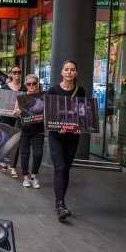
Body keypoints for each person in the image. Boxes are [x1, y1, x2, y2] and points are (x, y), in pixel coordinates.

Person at [47, 60, 85, 220]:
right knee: (60, 168)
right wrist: (57, 127)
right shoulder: (53, 90)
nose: (69, 72)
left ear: (76, 73)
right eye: (67, 69)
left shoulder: (80, 91)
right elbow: (49, 113)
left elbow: (82, 113)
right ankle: (60, 204)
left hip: (72, 136)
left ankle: (61, 201)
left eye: (72, 70)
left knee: (66, 168)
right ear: (62, 72)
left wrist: (80, 126)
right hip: (56, 135)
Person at [13, 74, 44, 188]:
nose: (31, 86)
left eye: (34, 83)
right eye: (29, 84)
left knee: (38, 153)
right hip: (23, 129)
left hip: (38, 130)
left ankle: (33, 177)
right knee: (24, 154)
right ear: (26, 85)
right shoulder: (21, 97)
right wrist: (17, 112)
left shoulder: (42, 97)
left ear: (37, 85)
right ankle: (25, 178)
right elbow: (14, 112)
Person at [0, 65, 26, 178]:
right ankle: (4, 161)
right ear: (11, 73)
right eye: (14, 72)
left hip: (19, 119)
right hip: (6, 117)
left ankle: (13, 167)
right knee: (5, 141)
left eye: (19, 72)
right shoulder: (4, 87)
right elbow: (0, 105)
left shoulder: (24, 88)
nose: (17, 74)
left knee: (16, 142)